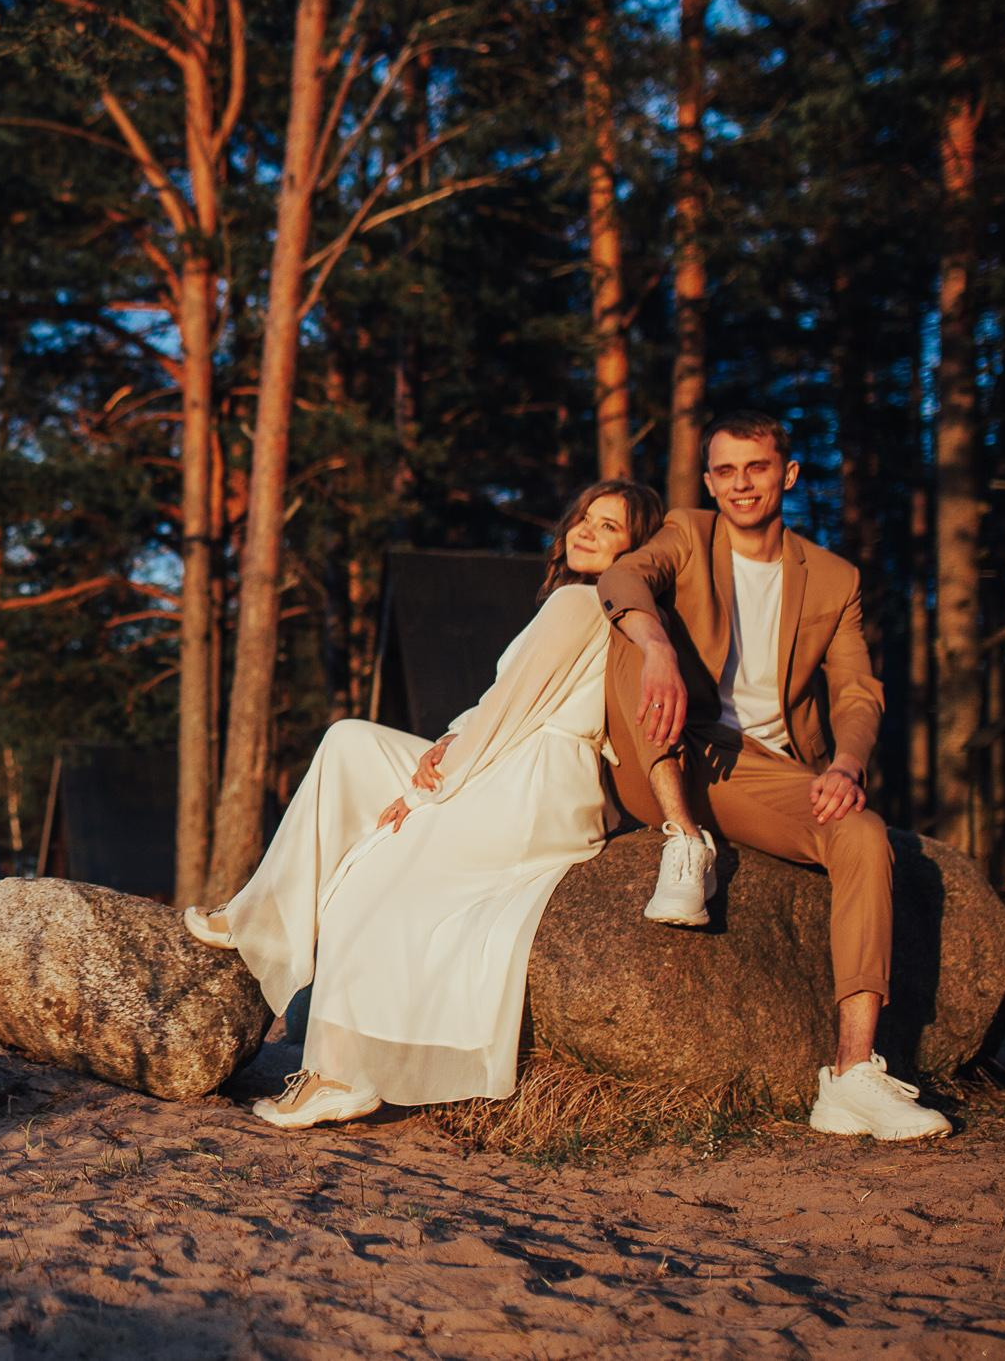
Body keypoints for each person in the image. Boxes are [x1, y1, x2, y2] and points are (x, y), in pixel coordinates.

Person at [184, 479, 663, 1128]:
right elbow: (496, 704)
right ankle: (261, 916)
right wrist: (443, 745)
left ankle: (340, 1073)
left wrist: (418, 792)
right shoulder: (574, 600)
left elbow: (508, 713)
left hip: (528, 784)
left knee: (376, 869)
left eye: (609, 526)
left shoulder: (581, 604)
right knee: (350, 741)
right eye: (584, 517)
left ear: (636, 549)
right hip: (503, 756)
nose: (585, 529)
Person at [598, 409, 949, 1141]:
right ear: (708, 481)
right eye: (725, 470)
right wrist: (659, 641)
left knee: (862, 833)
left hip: (766, 770)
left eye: (756, 467)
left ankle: (852, 1076)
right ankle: (684, 839)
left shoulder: (832, 576)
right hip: (672, 751)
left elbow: (857, 690)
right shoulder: (690, 536)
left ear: (787, 473)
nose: (741, 484)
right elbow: (625, 573)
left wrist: (847, 763)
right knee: (634, 627)